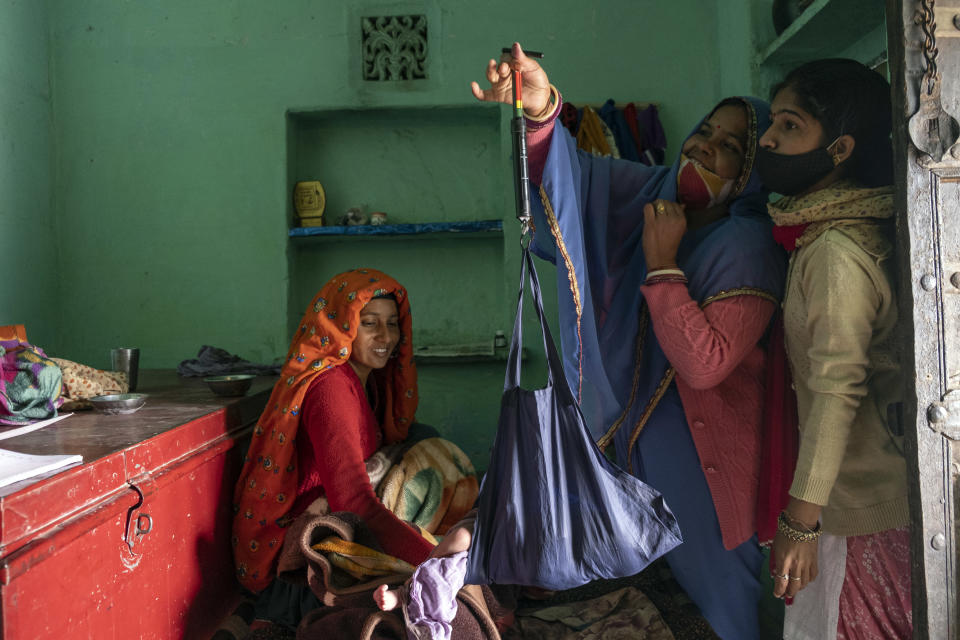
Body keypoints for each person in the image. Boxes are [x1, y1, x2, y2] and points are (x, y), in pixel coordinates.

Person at [471, 44, 786, 640]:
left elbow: (704, 364)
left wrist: (663, 263)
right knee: (637, 612)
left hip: (706, 471)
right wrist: (540, 114)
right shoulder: (649, 195)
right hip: (627, 454)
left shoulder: (746, 245)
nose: (703, 148)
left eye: (730, 147)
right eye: (704, 132)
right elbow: (574, 179)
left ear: (753, 172)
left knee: (714, 615)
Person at [757, 58, 911, 638]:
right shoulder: (846, 229)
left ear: (840, 148)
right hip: (873, 497)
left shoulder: (834, 252)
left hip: (860, 507)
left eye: (790, 125)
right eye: (774, 122)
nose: (768, 138)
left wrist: (801, 523)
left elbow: (836, 390)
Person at [232, 269, 439, 628]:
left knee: (425, 442)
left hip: (342, 518)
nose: (385, 336)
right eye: (370, 323)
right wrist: (432, 563)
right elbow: (353, 502)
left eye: (392, 324)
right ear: (341, 328)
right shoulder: (331, 389)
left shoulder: (367, 382)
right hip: (305, 564)